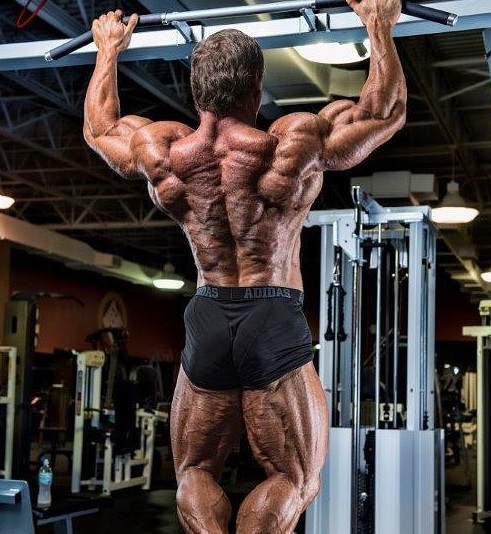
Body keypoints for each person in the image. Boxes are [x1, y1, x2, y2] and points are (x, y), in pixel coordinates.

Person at [84, 0, 406, 531]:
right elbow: (382, 112)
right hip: (271, 312)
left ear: (195, 92)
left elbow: (100, 129)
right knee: (294, 476)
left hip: (208, 314)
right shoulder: (289, 144)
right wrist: (379, 25)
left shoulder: (163, 151)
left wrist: (107, 51)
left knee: (193, 469)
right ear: (257, 88)